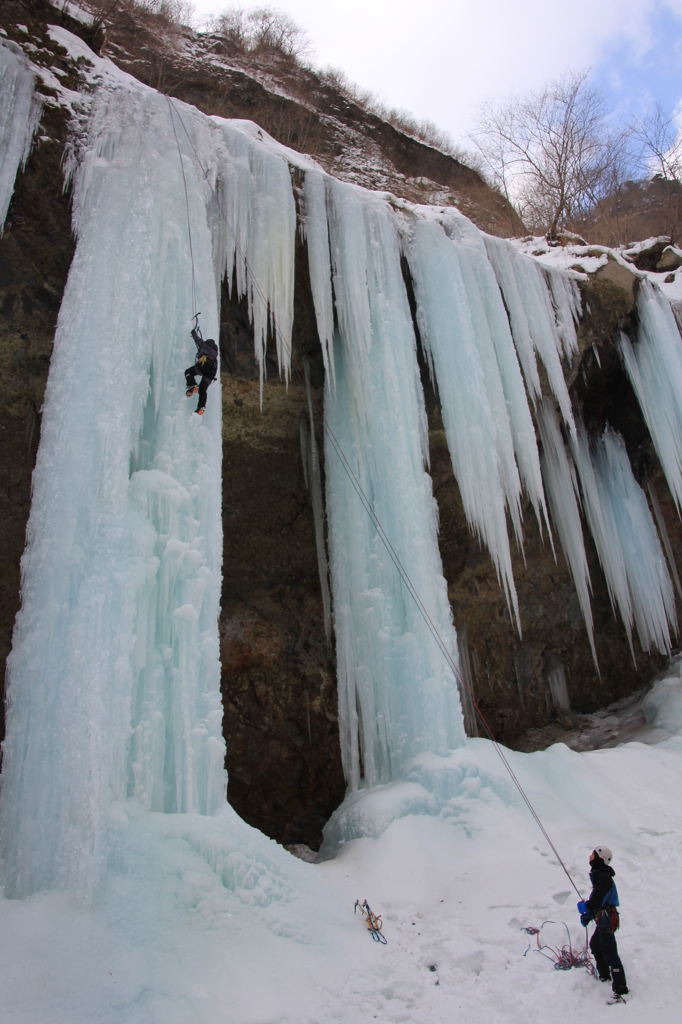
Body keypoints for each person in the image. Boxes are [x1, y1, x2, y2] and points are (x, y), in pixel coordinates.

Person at [577, 846, 628, 999]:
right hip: (604, 917)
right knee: (596, 945)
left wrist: (585, 907)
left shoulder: (603, 877)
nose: (590, 856)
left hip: (606, 919)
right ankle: (605, 976)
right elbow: (600, 901)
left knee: (610, 952)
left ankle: (621, 989)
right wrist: (590, 914)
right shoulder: (601, 876)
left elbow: (597, 900)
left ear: (600, 858)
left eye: (593, 854)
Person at [185, 324, 218, 415]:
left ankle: (192, 386)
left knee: (188, 372)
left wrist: (193, 333)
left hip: (206, 363)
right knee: (203, 389)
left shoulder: (204, 345)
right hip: (213, 369)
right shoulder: (215, 353)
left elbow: (197, 340)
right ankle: (201, 407)